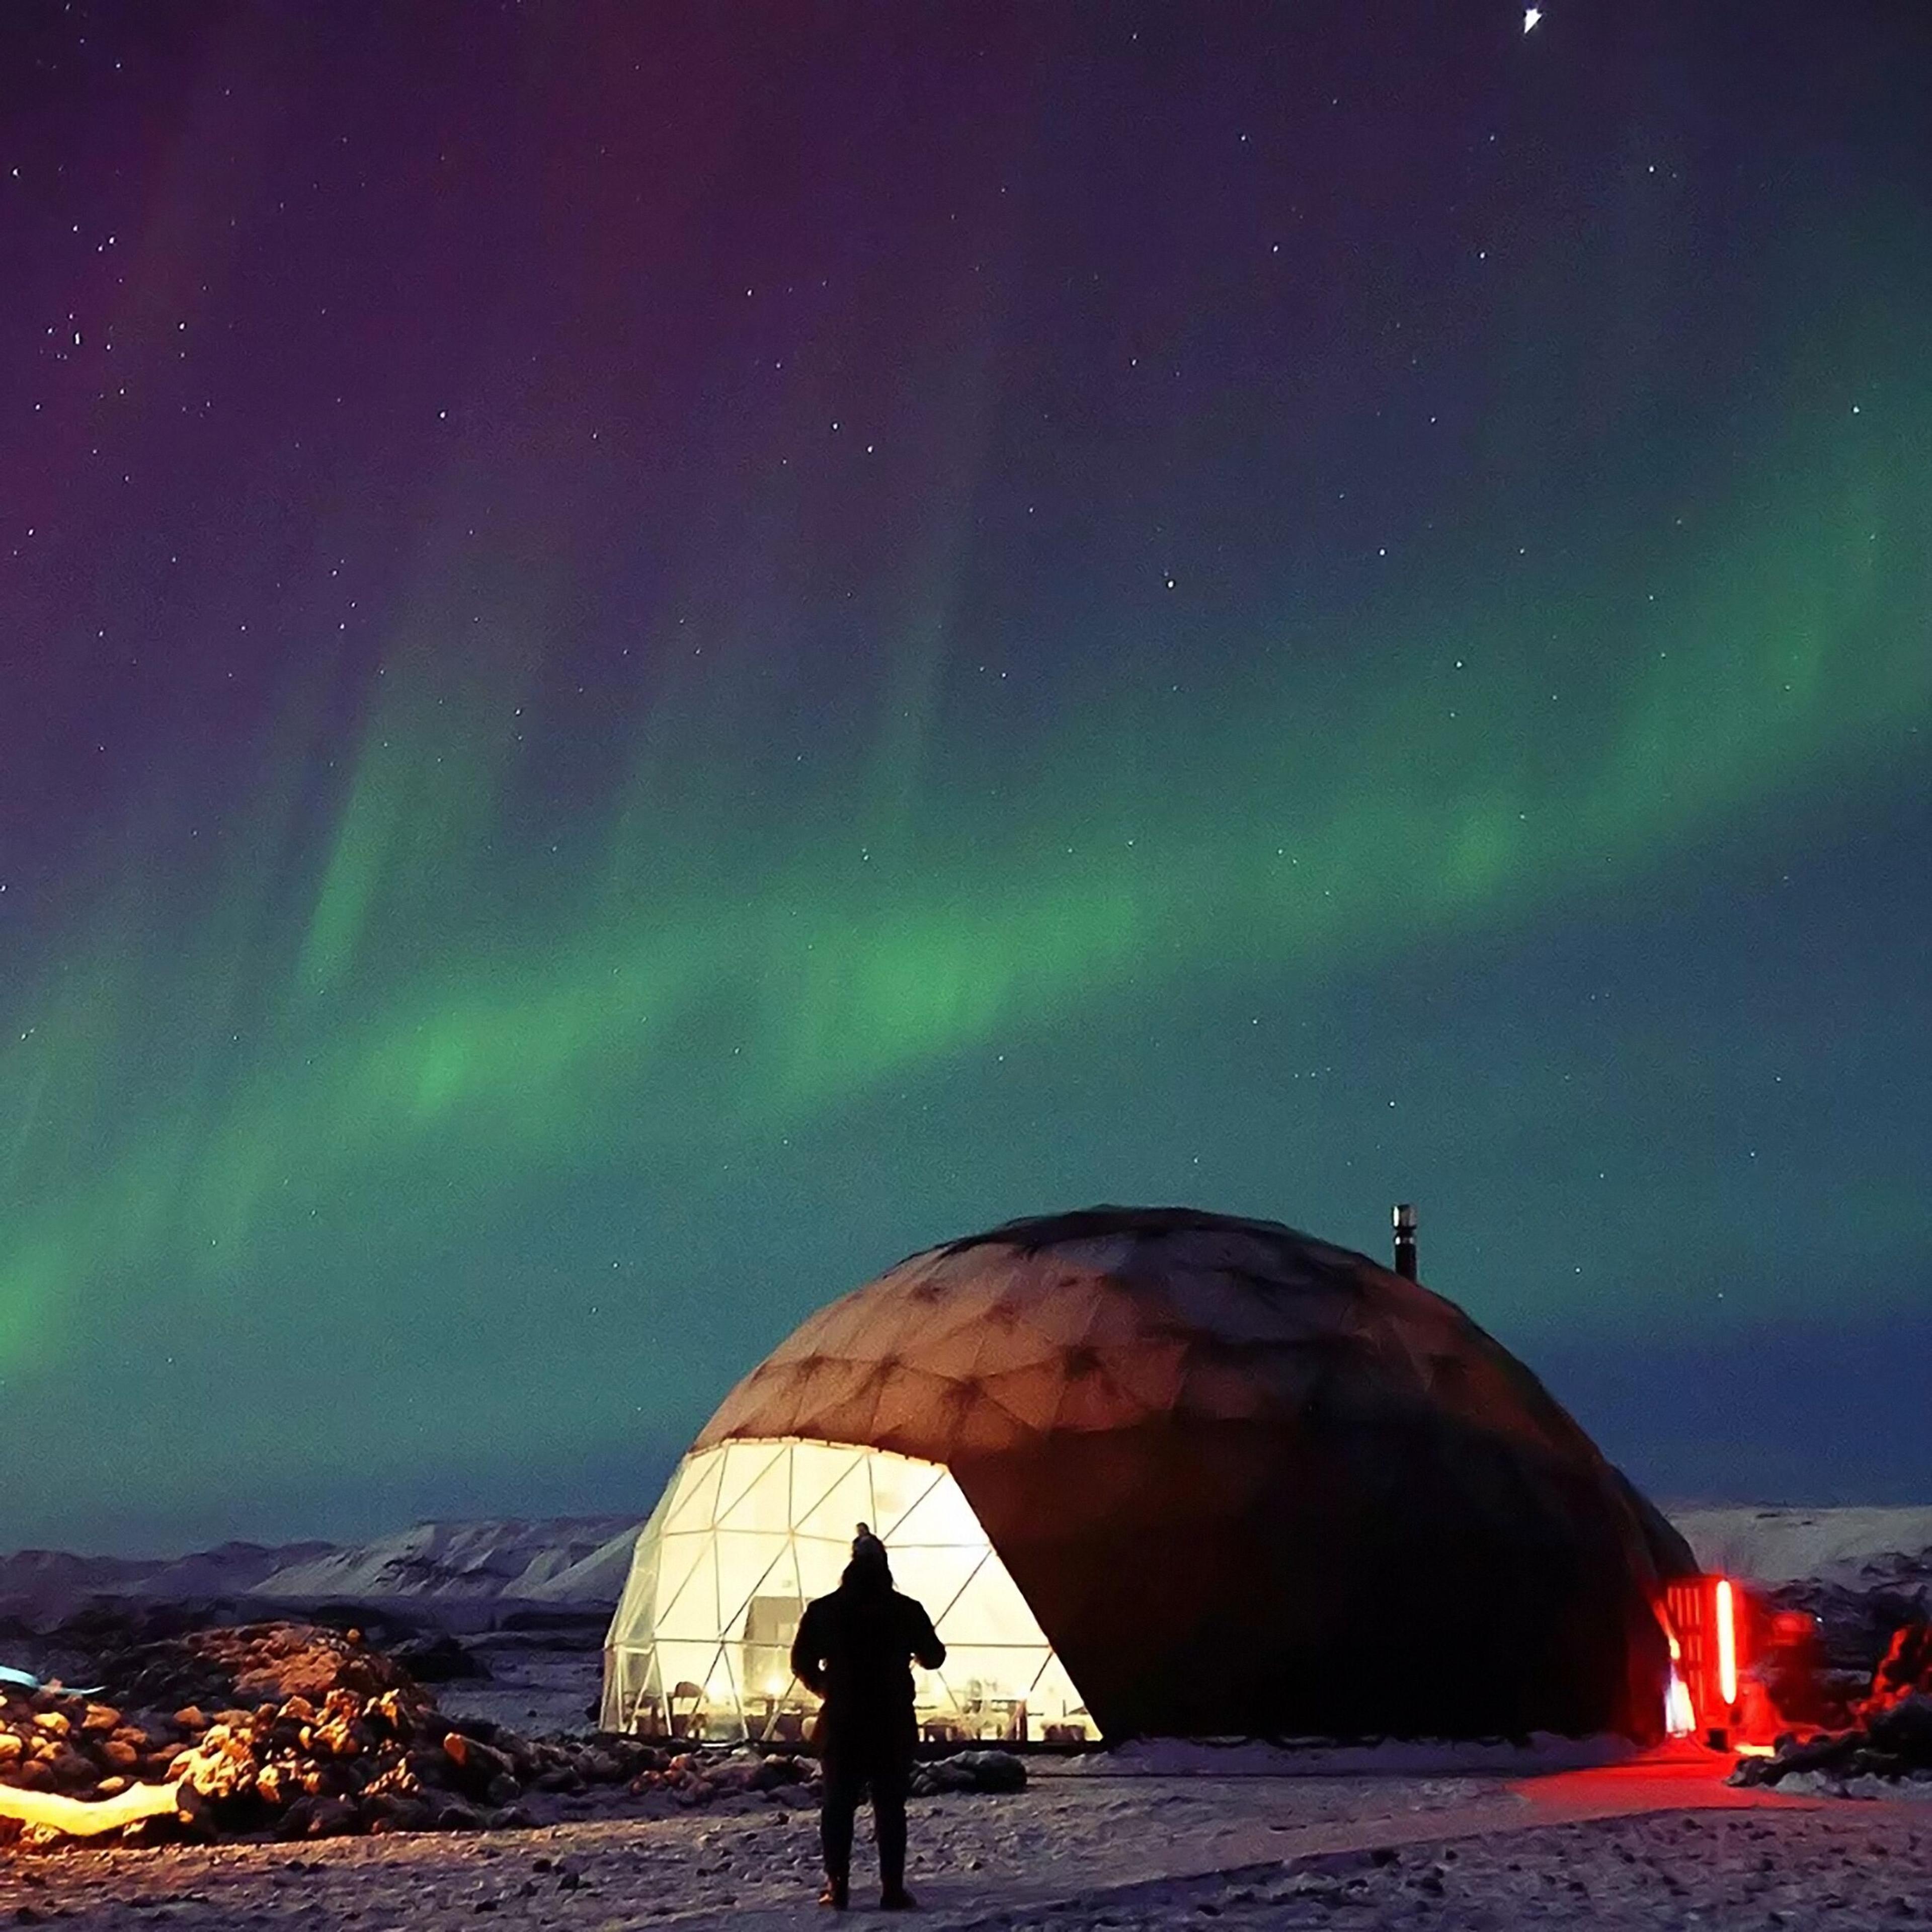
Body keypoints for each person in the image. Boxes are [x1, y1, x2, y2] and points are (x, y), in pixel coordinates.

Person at [790, 1522, 946, 1911]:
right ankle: (892, 1888)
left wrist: (826, 1687)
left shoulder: (824, 1610)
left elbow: (801, 1662)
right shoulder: (906, 1610)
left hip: (843, 1722)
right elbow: (935, 1657)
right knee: (890, 1806)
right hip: (891, 1721)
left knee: (838, 1804)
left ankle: (837, 1886)